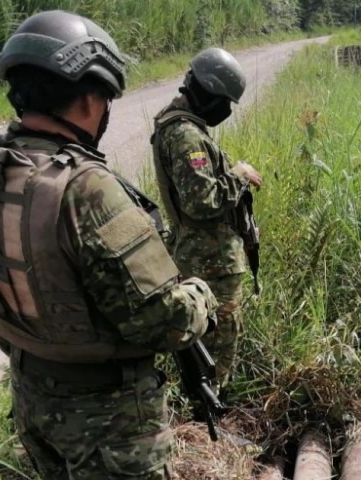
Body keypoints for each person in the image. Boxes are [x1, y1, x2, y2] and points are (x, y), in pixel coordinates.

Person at [0, 11, 218, 479]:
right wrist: (199, 294)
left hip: (33, 399)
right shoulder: (85, 188)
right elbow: (165, 323)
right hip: (109, 423)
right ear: (90, 97)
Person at [151, 48, 262, 394]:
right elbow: (201, 202)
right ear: (208, 91)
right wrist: (239, 175)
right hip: (209, 261)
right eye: (224, 100)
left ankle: (204, 407)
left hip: (202, 256)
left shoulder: (176, 123)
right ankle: (209, 417)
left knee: (205, 341)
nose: (225, 110)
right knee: (218, 342)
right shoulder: (186, 135)